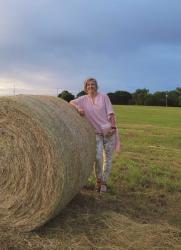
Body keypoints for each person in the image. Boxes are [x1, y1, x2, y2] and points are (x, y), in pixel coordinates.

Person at [70, 78, 120, 193]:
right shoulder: (83, 99)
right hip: (96, 134)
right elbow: (71, 102)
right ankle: (98, 179)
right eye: (88, 85)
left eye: (93, 84)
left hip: (108, 132)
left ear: (96, 86)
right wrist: (78, 108)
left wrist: (113, 127)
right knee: (97, 157)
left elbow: (111, 113)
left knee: (108, 158)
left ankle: (104, 182)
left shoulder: (104, 97)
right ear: (85, 87)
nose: (90, 86)